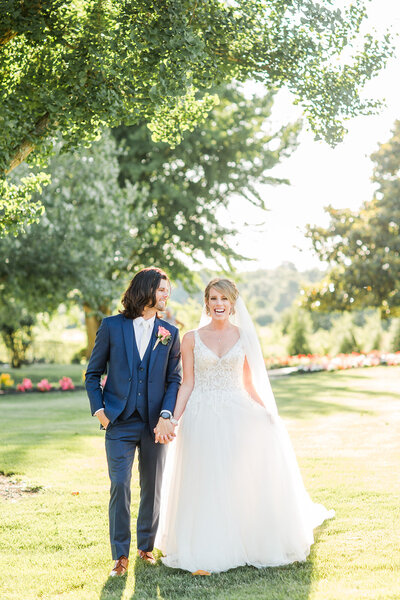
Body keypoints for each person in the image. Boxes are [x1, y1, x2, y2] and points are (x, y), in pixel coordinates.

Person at [156, 277, 334, 574]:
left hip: (237, 413)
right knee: (205, 480)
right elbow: (187, 384)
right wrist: (172, 418)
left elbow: (249, 384)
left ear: (233, 303)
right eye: (213, 299)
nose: (219, 305)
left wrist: (267, 413)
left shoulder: (245, 337)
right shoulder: (191, 338)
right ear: (206, 303)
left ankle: (243, 538)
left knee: (236, 478)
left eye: (224, 299)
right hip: (201, 415)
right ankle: (207, 543)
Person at [85, 267, 181, 577]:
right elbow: (92, 373)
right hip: (119, 423)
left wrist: (166, 415)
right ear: (145, 290)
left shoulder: (170, 332)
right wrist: (99, 411)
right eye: (162, 290)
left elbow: (174, 380)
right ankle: (120, 556)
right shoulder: (112, 327)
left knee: (152, 487)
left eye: (168, 290)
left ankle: (146, 548)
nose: (166, 295)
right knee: (120, 485)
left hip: (155, 424)